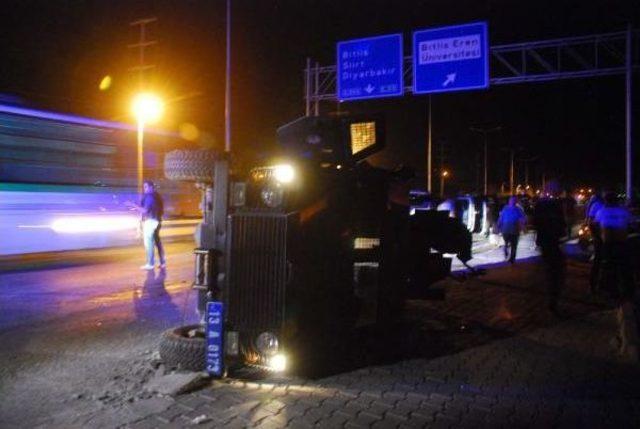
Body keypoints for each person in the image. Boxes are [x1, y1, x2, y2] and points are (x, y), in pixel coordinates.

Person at [594, 192, 637, 361]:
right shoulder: (623, 211)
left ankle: (609, 289)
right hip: (621, 243)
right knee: (623, 268)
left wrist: (600, 236)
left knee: (608, 267)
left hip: (608, 244)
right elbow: (632, 224)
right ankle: (626, 290)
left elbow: (596, 225)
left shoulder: (602, 211)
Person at [533, 182, 567, 316]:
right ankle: (552, 299)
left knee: (550, 269)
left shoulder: (540, 205)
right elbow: (561, 226)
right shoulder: (555, 206)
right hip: (552, 242)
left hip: (546, 241)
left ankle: (551, 298)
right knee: (555, 272)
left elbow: (536, 223)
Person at [128, 180, 166, 270]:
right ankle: (162, 262)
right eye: (144, 187)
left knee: (149, 242)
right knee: (157, 242)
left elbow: (145, 210)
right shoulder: (157, 196)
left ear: (151, 187)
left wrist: (133, 205)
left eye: (146, 187)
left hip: (151, 221)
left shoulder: (150, 197)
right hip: (157, 221)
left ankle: (150, 263)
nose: (144, 189)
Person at [497, 196, 527, 264]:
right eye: (512, 201)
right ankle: (510, 258)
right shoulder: (517, 210)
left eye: (513, 201)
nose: (512, 202)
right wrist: (523, 226)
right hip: (511, 230)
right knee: (512, 245)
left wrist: (499, 225)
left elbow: (500, 218)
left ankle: (508, 253)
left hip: (509, 230)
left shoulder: (507, 209)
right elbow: (523, 219)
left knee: (509, 243)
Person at [587, 192, 605, 292]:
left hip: (602, 238)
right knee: (599, 261)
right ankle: (596, 285)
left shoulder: (598, 206)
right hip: (601, 238)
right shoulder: (598, 206)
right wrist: (596, 236)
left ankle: (596, 285)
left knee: (598, 262)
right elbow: (591, 222)